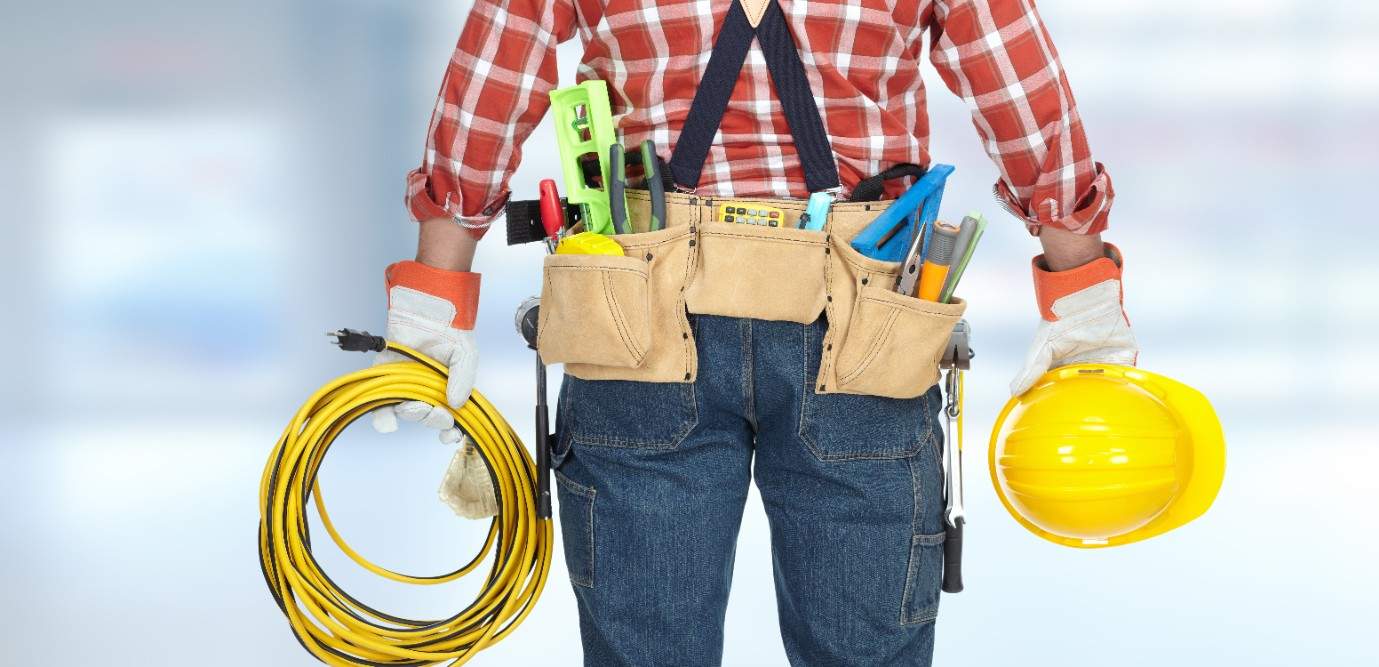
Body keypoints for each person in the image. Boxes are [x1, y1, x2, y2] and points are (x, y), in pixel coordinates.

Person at [375, 0, 1137, 664]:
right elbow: (1013, 75)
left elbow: (498, 66)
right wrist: (1081, 293)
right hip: (862, 326)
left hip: (640, 320)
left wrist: (436, 295)